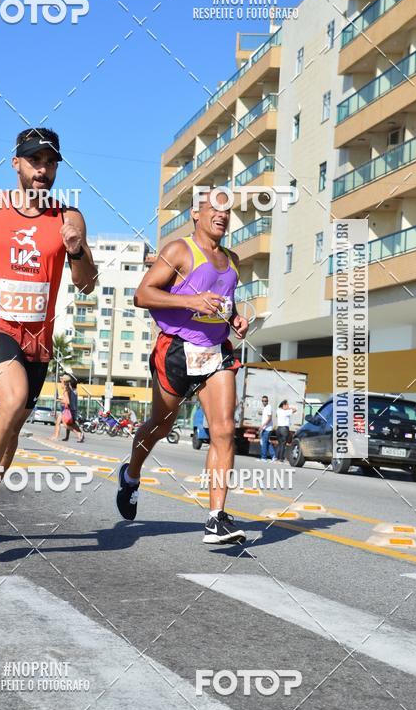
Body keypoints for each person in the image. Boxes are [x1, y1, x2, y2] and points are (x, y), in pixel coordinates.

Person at [0, 127, 96, 547]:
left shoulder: (69, 218)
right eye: (35, 161)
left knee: (13, 425)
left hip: (38, 338)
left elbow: (86, 283)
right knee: (10, 400)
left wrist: (76, 250)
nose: (43, 170)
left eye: (50, 163)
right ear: (16, 163)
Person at [116, 189, 249, 544]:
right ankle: (130, 476)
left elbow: (222, 304)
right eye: (213, 209)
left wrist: (235, 319)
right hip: (175, 350)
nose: (221, 216)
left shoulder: (233, 260)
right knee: (160, 426)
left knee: (223, 430)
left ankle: (216, 518)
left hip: (215, 352)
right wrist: (191, 301)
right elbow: (142, 295)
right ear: (196, 213)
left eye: (227, 211)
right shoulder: (179, 250)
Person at [53, 374, 84, 443]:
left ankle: (79, 434)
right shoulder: (69, 389)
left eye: (61, 380)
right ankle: (56, 436)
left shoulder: (66, 390)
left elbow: (67, 401)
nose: (60, 381)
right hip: (68, 408)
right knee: (63, 422)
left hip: (67, 408)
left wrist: (58, 400)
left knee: (67, 424)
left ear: (64, 382)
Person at [259, 394, 275, 461]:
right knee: (267, 442)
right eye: (263, 401)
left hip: (267, 428)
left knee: (264, 443)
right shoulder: (265, 408)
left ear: (267, 401)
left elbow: (269, 418)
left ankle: (263, 458)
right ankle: (274, 456)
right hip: (266, 428)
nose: (264, 402)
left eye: (265, 401)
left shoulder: (268, 407)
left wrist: (263, 426)